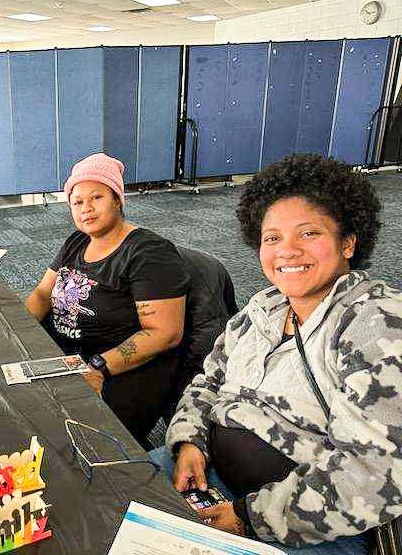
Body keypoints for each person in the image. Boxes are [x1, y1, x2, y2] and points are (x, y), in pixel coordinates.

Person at [152, 154, 402, 554]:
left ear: (349, 243)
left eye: (308, 234)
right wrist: (188, 443)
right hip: (207, 474)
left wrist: (251, 518)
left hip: (306, 519)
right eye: (272, 238)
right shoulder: (264, 308)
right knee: (104, 503)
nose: (287, 251)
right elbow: (208, 381)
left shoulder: (379, 327)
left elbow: (373, 474)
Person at [25, 153, 188, 444]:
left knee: (62, 441)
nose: (85, 208)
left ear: (117, 200)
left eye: (96, 197)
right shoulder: (77, 241)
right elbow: (41, 294)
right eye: (77, 202)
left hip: (121, 368)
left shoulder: (148, 253)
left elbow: (164, 333)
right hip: (68, 356)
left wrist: (98, 367)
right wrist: (17, 328)